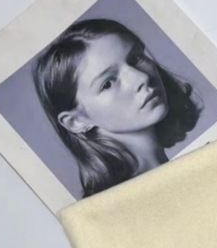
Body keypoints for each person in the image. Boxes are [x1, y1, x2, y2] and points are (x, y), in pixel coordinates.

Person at [33, 18, 202, 198]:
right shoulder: (120, 201)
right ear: (77, 121)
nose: (141, 78)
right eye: (107, 83)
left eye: (135, 59)